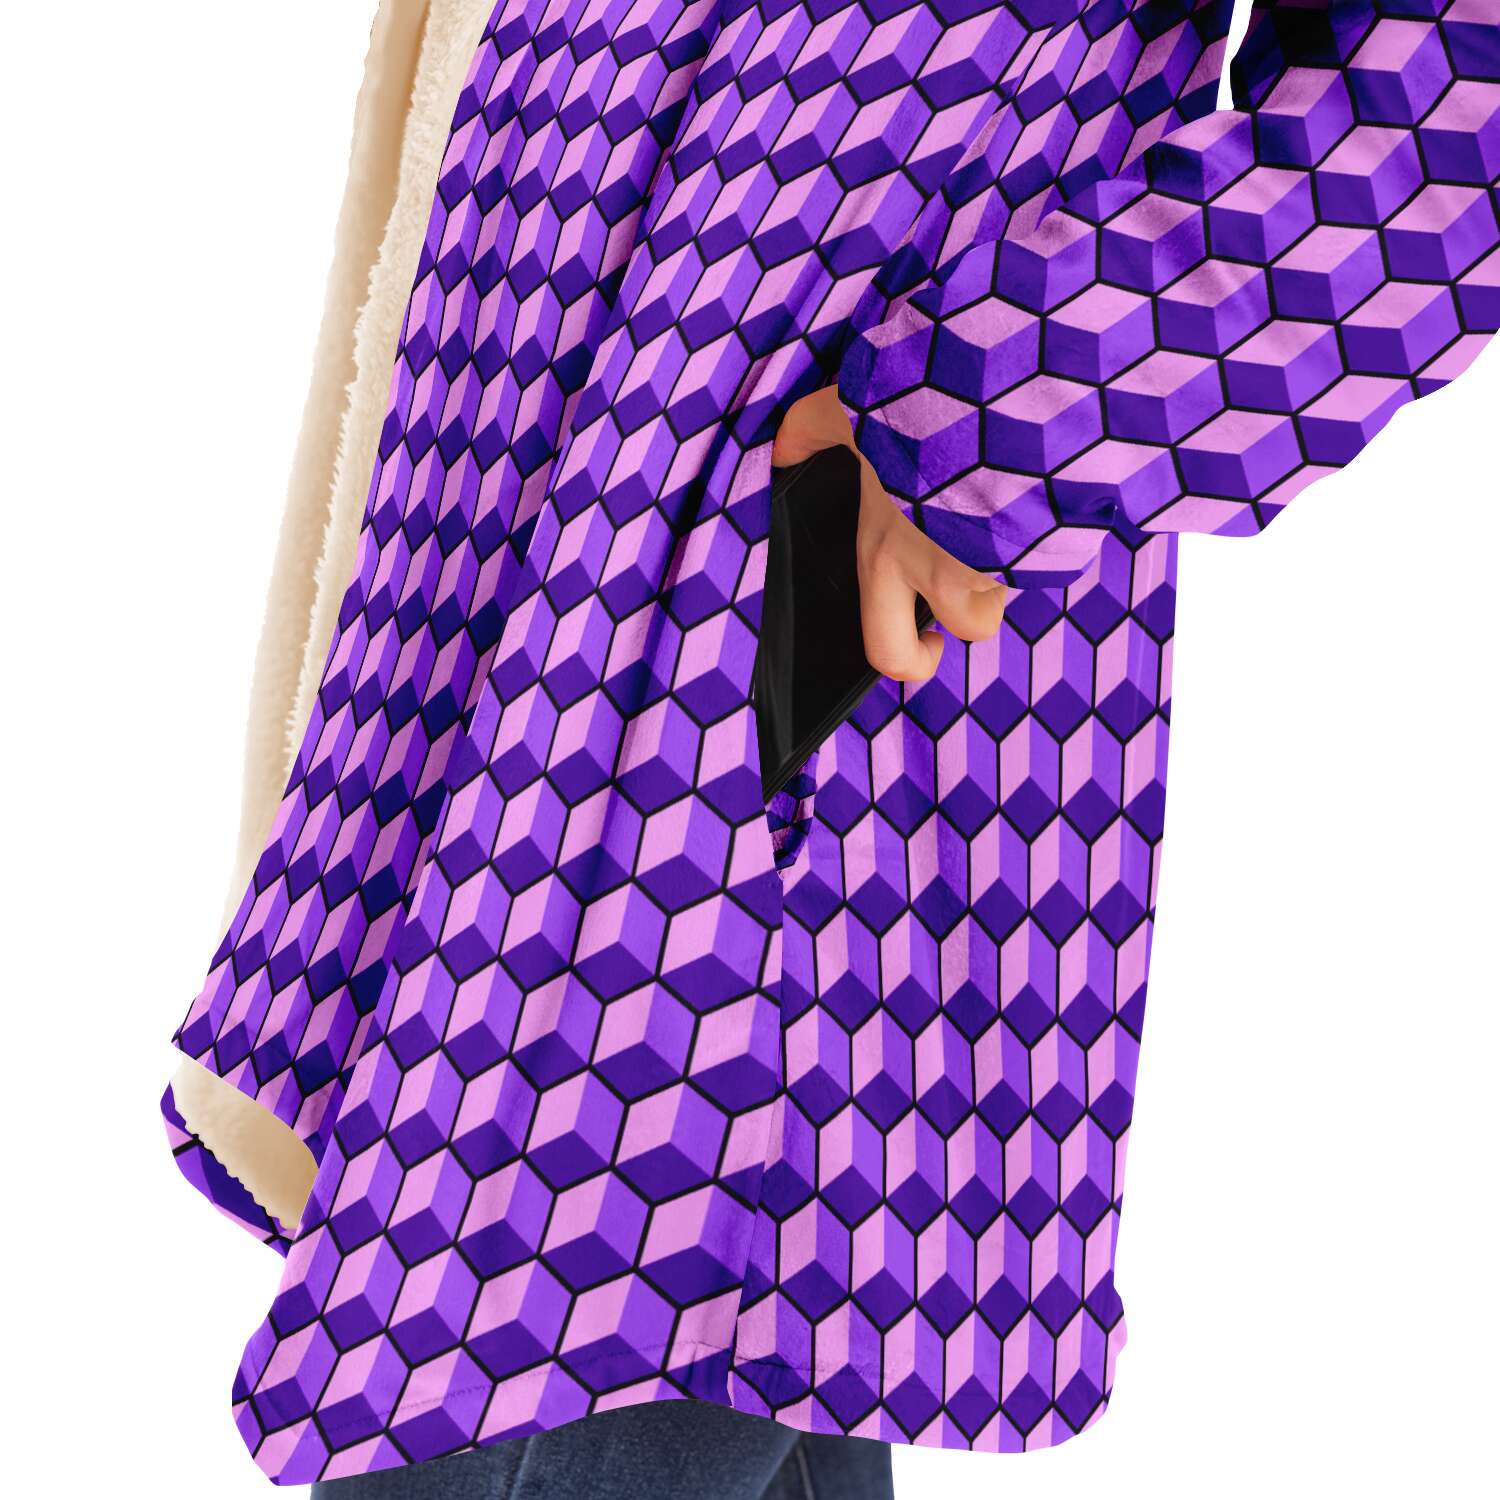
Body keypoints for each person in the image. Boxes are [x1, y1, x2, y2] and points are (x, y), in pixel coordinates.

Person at [160, 0, 1500, 1493]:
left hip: (823, 541)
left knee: (563, 1314)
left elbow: (1450, 121)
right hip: (530, 499)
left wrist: (1009, 410)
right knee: (638, 1317)